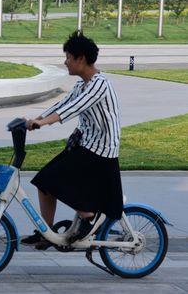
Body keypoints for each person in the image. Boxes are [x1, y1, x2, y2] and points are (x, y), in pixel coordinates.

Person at [21, 31, 124, 250]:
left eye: (68, 57)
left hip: (101, 151)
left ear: (81, 59)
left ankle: (87, 216)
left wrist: (43, 123)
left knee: (55, 181)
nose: (65, 61)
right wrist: (35, 119)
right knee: (44, 182)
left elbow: (71, 109)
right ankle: (46, 233)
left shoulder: (99, 84)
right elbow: (61, 104)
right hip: (86, 144)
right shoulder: (81, 85)